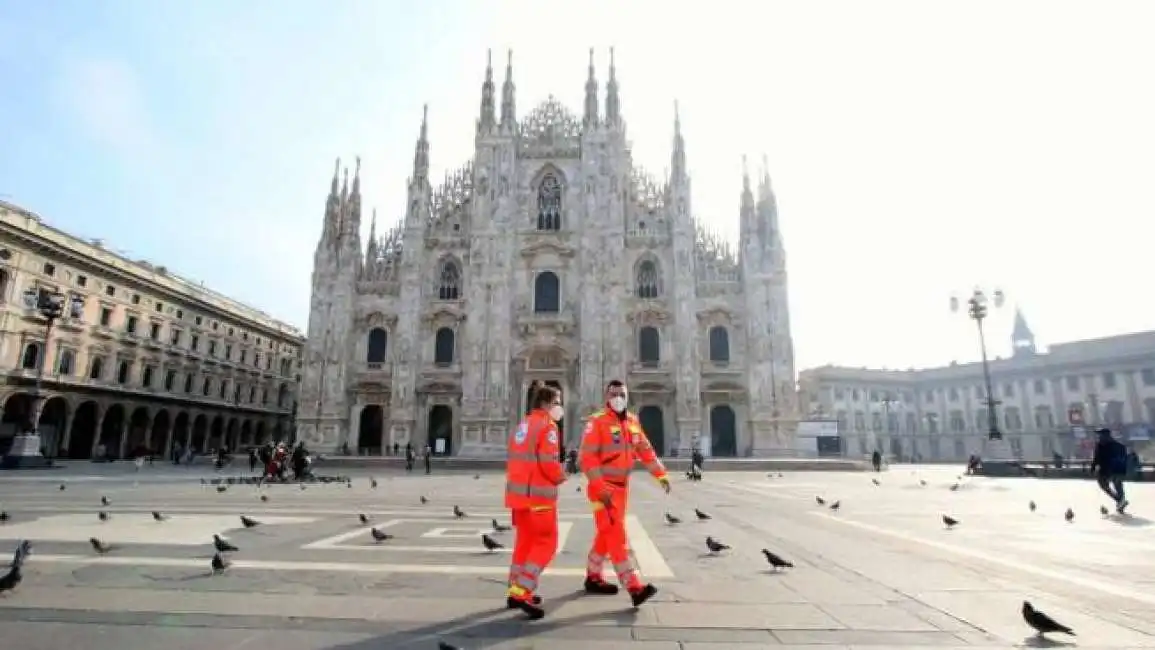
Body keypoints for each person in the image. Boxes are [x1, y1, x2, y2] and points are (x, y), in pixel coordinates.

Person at [579, 379, 668, 607]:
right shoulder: (597, 422)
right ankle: (634, 587)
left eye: (621, 394)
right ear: (606, 397)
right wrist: (600, 487)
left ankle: (593, 576)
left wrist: (660, 474)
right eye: (613, 394)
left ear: (627, 396)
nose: (618, 398)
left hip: (622, 488)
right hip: (603, 489)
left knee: (605, 534)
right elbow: (587, 458)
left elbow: (644, 449)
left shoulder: (632, 422)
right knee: (617, 537)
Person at [504, 383, 566, 619]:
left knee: (525, 544)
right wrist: (562, 475)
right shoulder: (548, 427)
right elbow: (549, 461)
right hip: (538, 497)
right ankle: (522, 591)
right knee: (546, 544)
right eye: (557, 402)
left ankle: (514, 588)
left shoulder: (523, 424)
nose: (559, 406)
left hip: (519, 497)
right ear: (547, 403)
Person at [1090, 427, 1129, 513]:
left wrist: (1092, 468)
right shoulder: (1119, 445)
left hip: (1106, 470)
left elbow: (1097, 458)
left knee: (1104, 485)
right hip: (1118, 469)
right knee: (1118, 485)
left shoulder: (1101, 445)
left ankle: (1119, 500)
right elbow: (1125, 458)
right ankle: (1120, 502)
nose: (1098, 437)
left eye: (1100, 435)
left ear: (1104, 435)